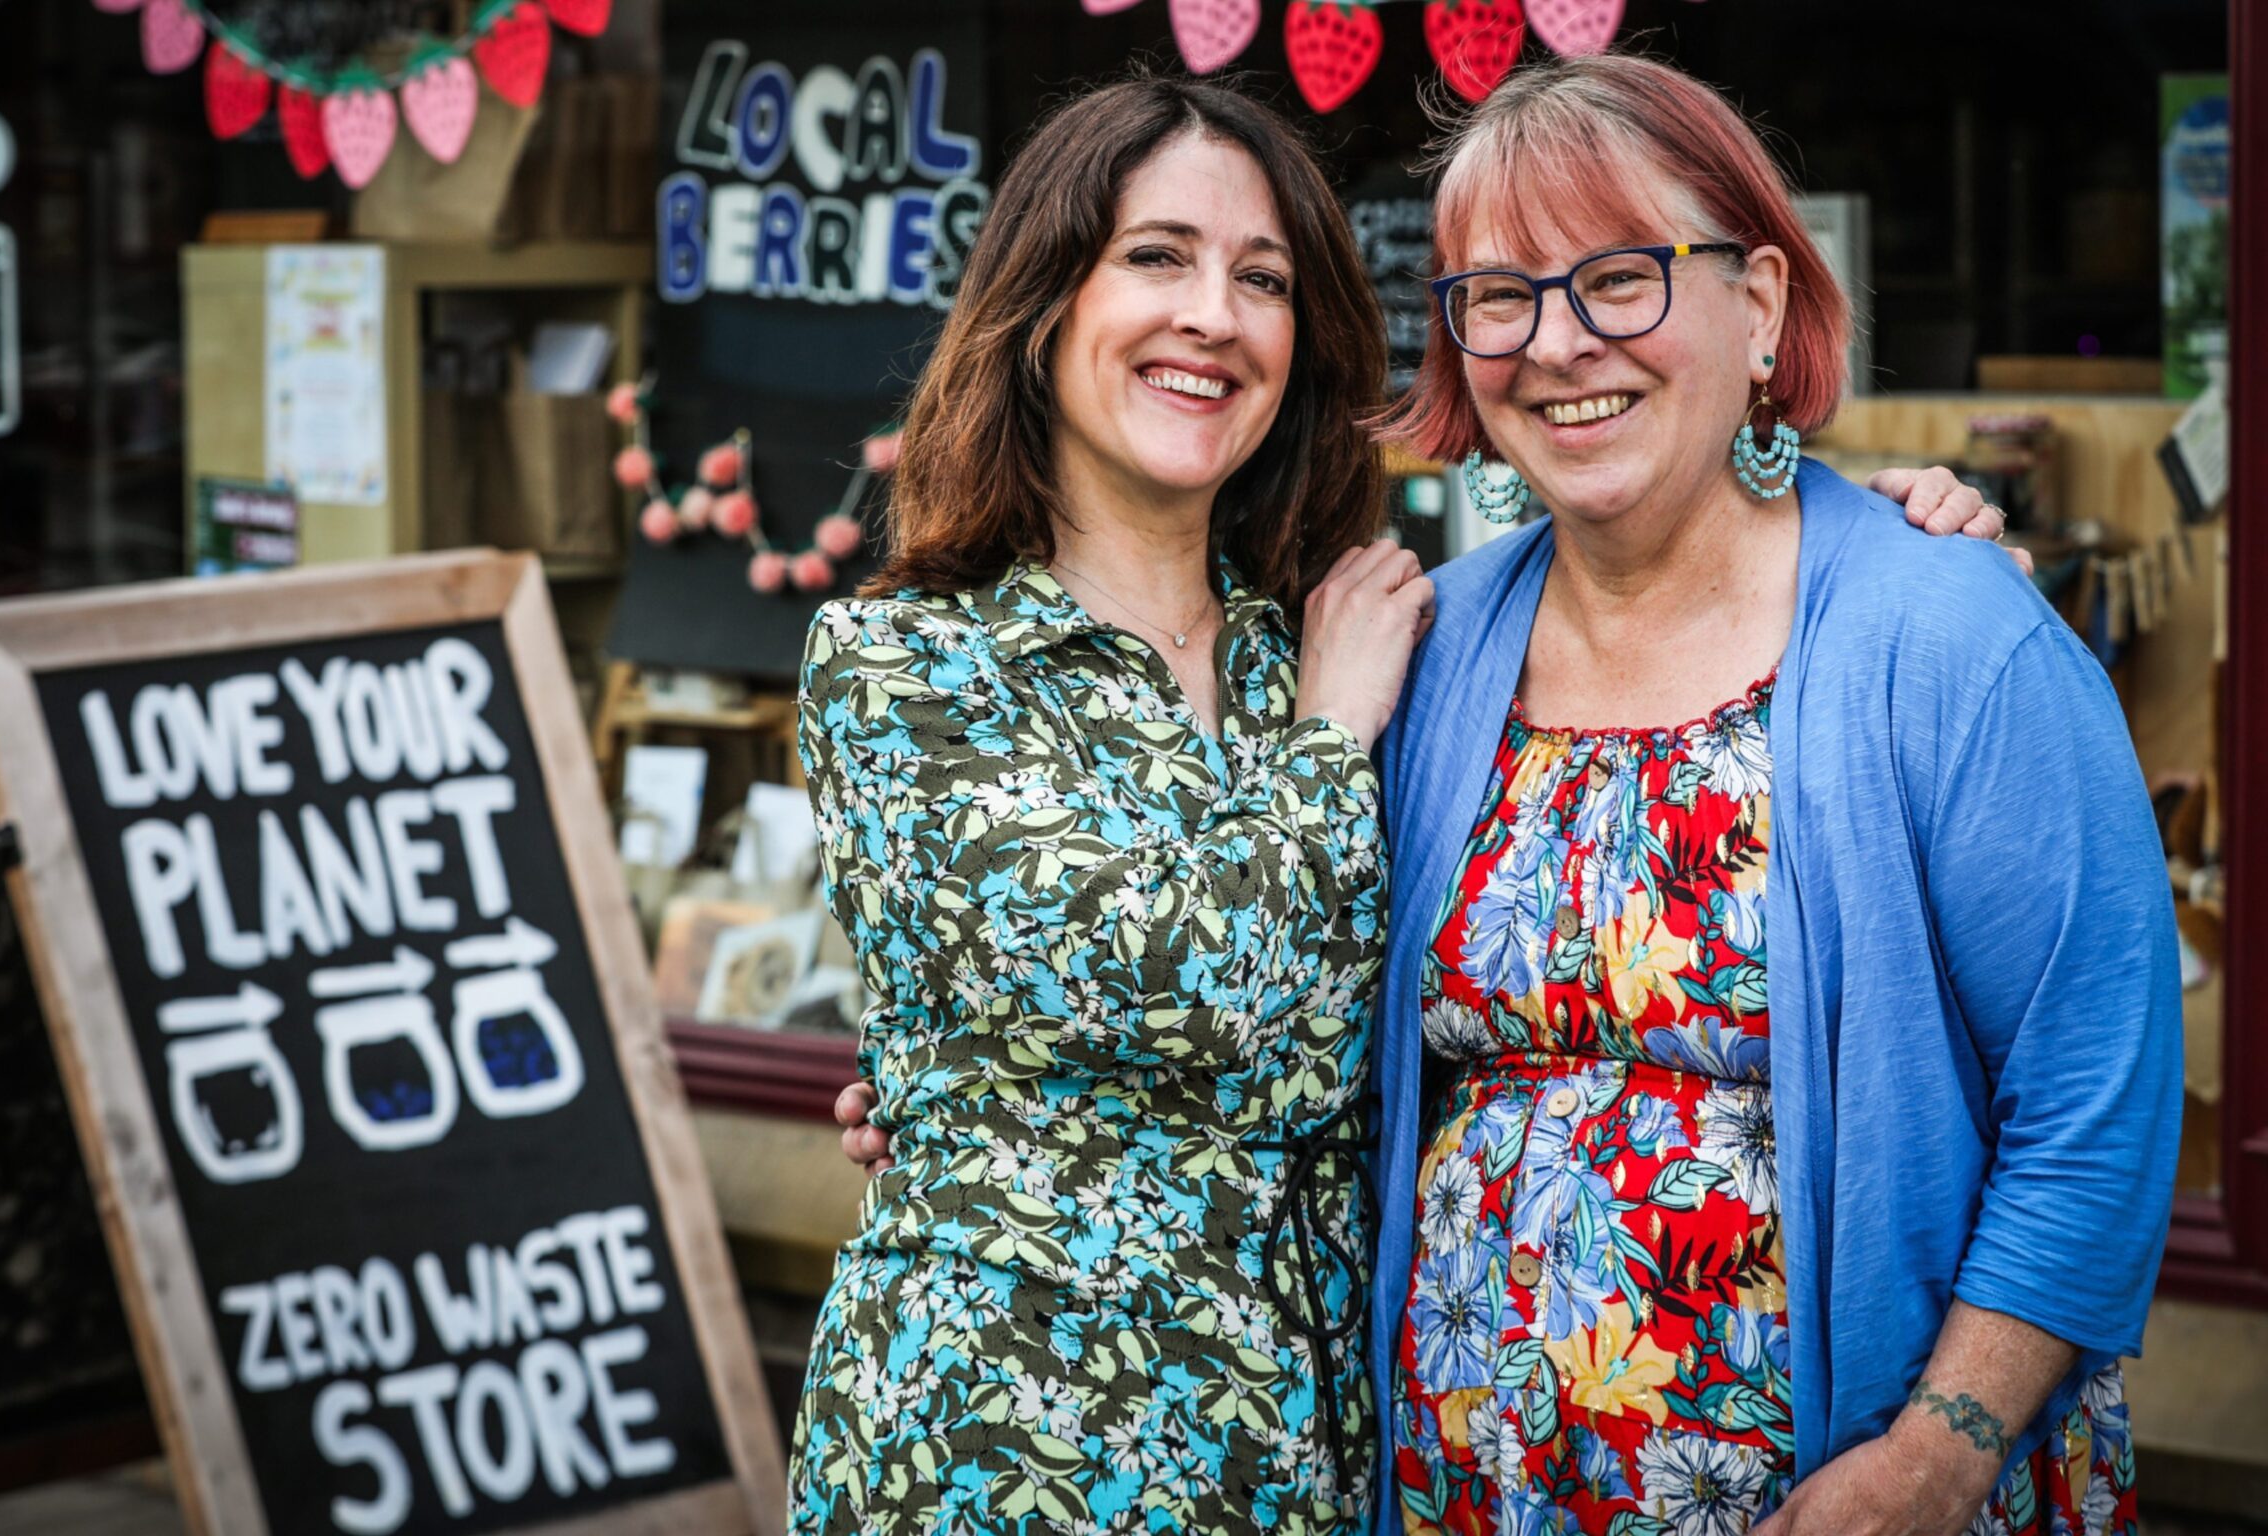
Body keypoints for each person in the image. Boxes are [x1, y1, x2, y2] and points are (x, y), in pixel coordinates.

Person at [804, 72, 2014, 1536]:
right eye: (1157, 257)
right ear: (1043, 300)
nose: (1213, 314)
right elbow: (1199, 989)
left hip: (1318, 1467)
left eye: (1261, 279)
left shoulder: (1332, 644)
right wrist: (961, 1091)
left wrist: (1863, 537)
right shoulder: (908, 660)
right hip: (1009, 1451)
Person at [1368, 54, 2178, 1536]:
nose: (1556, 342)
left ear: (1760, 306)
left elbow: (2095, 1102)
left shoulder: (1949, 635)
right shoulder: (1423, 648)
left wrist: (1937, 1456)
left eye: (1618, 278)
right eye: (1499, 292)